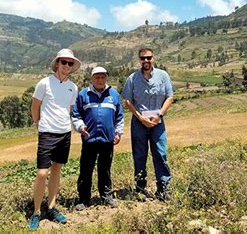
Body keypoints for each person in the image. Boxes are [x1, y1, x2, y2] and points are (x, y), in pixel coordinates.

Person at [28, 48, 80, 231]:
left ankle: (51, 207)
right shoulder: (44, 83)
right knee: (42, 172)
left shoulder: (73, 87)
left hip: (65, 133)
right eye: (63, 62)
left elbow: (70, 110)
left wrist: (76, 126)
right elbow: (35, 107)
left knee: (57, 169)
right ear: (57, 63)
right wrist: (39, 124)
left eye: (70, 63)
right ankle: (36, 212)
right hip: (47, 133)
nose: (66, 66)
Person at [122, 48, 174, 201]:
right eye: (143, 58)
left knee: (160, 153)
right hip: (139, 122)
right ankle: (140, 188)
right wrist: (140, 118)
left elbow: (170, 96)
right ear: (139, 60)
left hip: (158, 121)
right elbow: (127, 101)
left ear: (154, 58)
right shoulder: (132, 78)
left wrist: (159, 115)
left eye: (149, 58)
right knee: (139, 155)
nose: (146, 61)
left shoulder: (163, 76)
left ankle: (163, 189)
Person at [72, 67, 124, 210]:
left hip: (108, 140)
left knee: (105, 169)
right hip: (89, 140)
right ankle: (83, 199)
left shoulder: (113, 94)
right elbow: (76, 115)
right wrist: (81, 127)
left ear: (106, 78)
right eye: (97, 77)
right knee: (86, 170)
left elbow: (119, 116)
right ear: (92, 79)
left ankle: (106, 197)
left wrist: (119, 133)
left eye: (102, 77)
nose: (100, 80)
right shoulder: (84, 94)